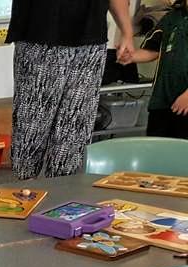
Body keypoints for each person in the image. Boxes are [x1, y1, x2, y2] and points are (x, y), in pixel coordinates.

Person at [7, 0, 135, 178]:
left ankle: (63, 196)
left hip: (90, 43)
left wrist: (127, 33)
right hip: (40, 39)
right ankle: (24, 192)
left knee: (74, 130)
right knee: (31, 129)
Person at [120, 0, 188, 139]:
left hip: (185, 103)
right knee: (157, 152)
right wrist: (131, 56)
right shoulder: (172, 17)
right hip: (162, 102)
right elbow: (153, 50)